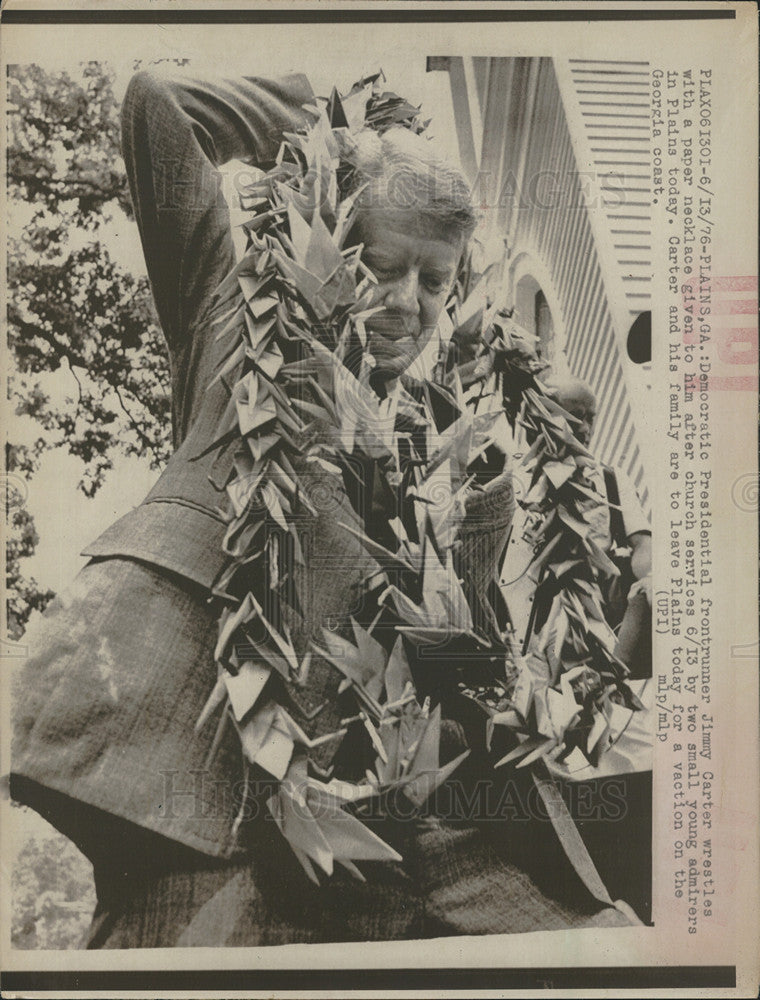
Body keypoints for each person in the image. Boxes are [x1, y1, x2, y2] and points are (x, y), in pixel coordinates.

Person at [11, 70, 633, 946]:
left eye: (433, 279)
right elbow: (160, 108)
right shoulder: (233, 306)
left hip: (393, 803)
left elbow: (446, 635)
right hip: (202, 764)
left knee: (591, 938)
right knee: (188, 956)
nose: (408, 301)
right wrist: (341, 136)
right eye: (385, 265)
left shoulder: (426, 428)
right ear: (330, 233)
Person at [500, 372, 652, 675]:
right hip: (519, 633)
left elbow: (643, 543)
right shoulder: (509, 483)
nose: (585, 429)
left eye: (591, 418)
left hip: (589, 631)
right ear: (539, 414)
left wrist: (650, 578)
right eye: (574, 416)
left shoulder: (610, 479)